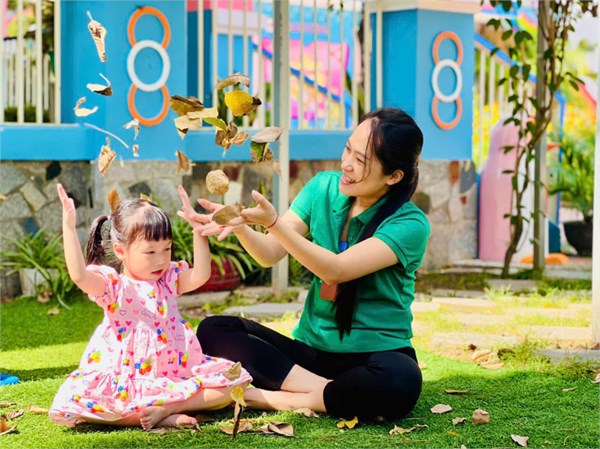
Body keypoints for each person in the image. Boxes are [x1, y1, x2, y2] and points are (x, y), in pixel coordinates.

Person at [178, 107, 430, 420]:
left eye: (361, 160)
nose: (346, 164)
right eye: (347, 149)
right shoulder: (323, 188)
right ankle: (327, 392)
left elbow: (335, 270)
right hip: (309, 358)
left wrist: (273, 223)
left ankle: (265, 397)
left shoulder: (410, 224)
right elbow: (269, 253)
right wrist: (240, 225)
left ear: (394, 176)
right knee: (214, 329)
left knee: (401, 379)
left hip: (375, 357)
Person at [50, 184, 251, 430]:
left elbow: (200, 275)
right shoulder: (114, 287)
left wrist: (198, 231)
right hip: (129, 378)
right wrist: (69, 226)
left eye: (167, 249)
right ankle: (154, 415)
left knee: (235, 383)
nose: (161, 259)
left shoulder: (167, 280)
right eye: (150, 252)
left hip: (172, 373)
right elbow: (80, 276)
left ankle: (168, 409)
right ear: (120, 251)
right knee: (84, 404)